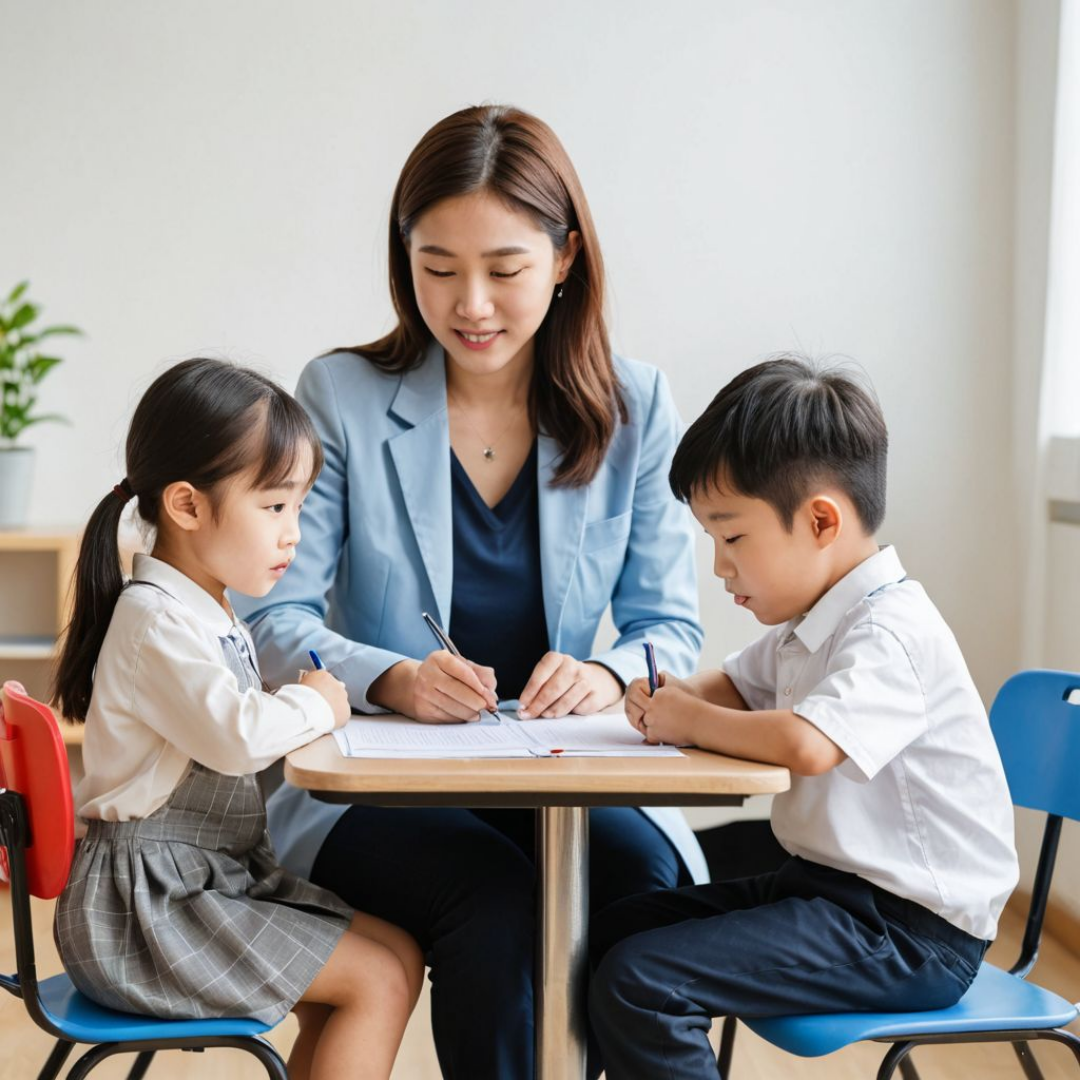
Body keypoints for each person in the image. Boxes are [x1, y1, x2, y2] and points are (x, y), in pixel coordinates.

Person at [232, 104, 707, 1079]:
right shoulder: (342, 396)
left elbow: (669, 628)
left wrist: (612, 679)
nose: (471, 304)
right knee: (492, 900)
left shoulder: (635, 405)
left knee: (645, 887)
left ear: (566, 257)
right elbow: (272, 620)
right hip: (386, 785)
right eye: (437, 268)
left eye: (504, 269)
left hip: (563, 768)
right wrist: (391, 679)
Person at [588, 356, 1020, 1079]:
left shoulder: (889, 632)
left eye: (732, 539)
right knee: (616, 932)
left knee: (645, 979)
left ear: (821, 520)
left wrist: (683, 721)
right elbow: (732, 684)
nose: (721, 569)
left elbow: (807, 745)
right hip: (827, 890)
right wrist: (667, 699)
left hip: (910, 931)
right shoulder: (812, 623)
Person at [51, 358, 423, 1080]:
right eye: (276, 507)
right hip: (148, 908)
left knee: (397, 952)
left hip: (199, 883)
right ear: (187, 506)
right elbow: (238, 737)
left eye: (300, 506)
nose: (295, 533)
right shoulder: (154, 620)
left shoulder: (204, 610)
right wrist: (317, 699)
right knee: (374, 981)